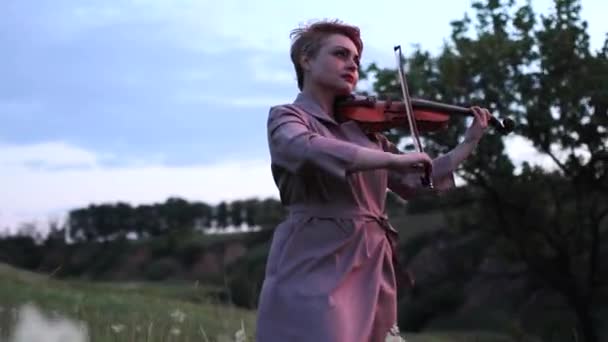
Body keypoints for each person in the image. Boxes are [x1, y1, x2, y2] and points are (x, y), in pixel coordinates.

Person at [255, 19, 491, 342]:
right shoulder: (287, 118)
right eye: (340, 54)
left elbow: (418, 177)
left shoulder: (365, 132)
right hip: (316, 255)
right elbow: (308, 150)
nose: (352, 64)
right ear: (306, 60)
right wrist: (394, 158)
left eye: (356, 59)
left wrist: (469, 143)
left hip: (371, 260)